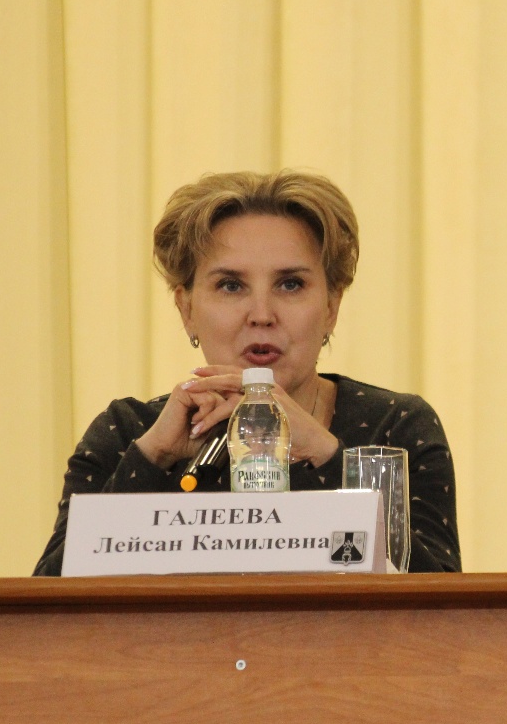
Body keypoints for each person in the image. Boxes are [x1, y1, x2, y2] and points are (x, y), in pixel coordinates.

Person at [35, 170, 461, 575]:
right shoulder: (128, 433)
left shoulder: (394, 428)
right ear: (186, 309)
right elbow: (47, 609)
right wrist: (151, 460)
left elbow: (446, 608)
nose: (261, 314)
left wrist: (326, 456)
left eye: (290, 284)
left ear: (332, 307)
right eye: (231, 285)